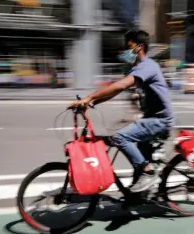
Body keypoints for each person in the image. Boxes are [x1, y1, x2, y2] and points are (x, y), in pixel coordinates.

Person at [68, 30, 174, 192]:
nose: (124, 51)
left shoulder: (147, 66)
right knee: (132, 151)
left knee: (120, 137)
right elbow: (116, 91)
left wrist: (89, 97)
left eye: (128, 46)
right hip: (151, 119)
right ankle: (139, 193)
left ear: (139, 47)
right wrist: (92, 102)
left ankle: (148, 172)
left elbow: (120, 85)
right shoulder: (139, 68)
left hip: (159, 121)